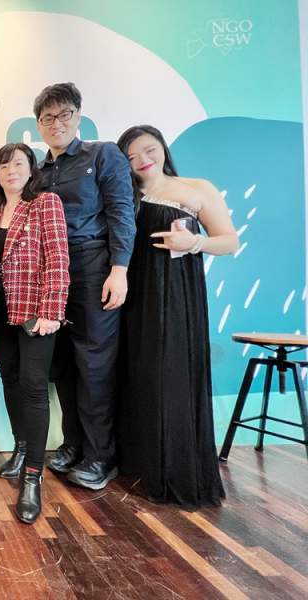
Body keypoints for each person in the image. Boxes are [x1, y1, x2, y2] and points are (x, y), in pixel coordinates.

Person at [116, 125, 237, 510]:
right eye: (131, 156)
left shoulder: (196, 188)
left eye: (148, 149)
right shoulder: (124, 195)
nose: (142, 160)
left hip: (178, 297)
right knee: (137, 375)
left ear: (163, 148)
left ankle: (175, 472)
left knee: (173, 375)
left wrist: (194, 242)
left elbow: (230, 240)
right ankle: (138, 464)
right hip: (133, 296)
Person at [32, 82, 136, 490]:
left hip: (93, 269)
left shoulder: (103, 154)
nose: (56, 123)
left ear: (78, 116)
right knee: (62, 365)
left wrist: (119, 269)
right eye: (47, 118)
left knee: (94, 366)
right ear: (39, 125)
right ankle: (73, 444)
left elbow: (122, 212)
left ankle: (100, 457)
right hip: (51, 276)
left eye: (64, 114)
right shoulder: (37, 171)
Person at [0, 143, 69, 522]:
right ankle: (20, 446)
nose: (10, 170)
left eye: (18, 163)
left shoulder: (45, 203)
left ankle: (32, 475)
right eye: (3, 165)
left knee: (34, 387)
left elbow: (58, 257)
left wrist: (52, 310)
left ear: (31, 169)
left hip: (36, 314)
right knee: (11, 380)